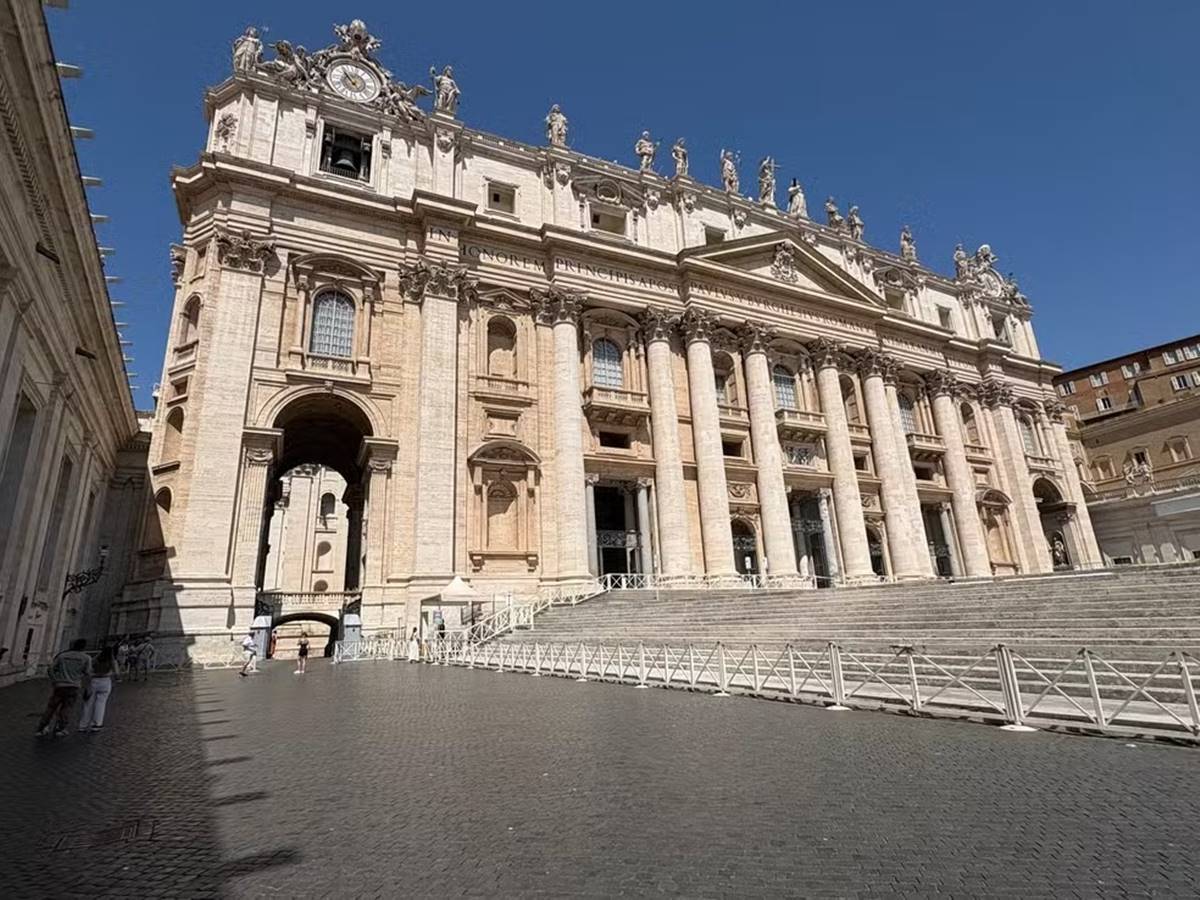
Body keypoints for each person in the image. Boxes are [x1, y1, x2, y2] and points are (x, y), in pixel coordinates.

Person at [36, 638, 93, 737]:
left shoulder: (62, 656)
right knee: (66, 708)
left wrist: (55, 680)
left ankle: (41, 728)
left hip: (60, 685)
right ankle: (60, 728)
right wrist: (88, 687)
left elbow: (50, 669)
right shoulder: (86, 658)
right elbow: (88, 673)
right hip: (73, 686)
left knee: (51, 707)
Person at [79, 645, 116, 732]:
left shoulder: (96, 659)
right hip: (105, 682)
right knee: (101, 704)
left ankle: (83, 725)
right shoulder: (111, 660)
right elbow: (116, 672)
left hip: (94, 681)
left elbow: (89, 668)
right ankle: (96, 724)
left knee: (88, 703)